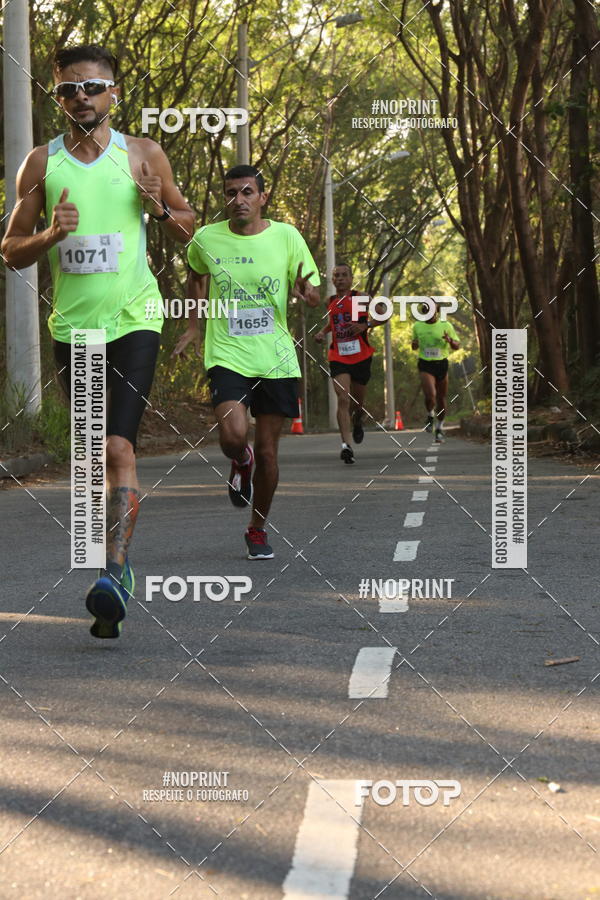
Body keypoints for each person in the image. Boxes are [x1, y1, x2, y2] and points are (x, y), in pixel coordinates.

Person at [1, 44, 194, 638]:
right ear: (56, 98)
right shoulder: (41, 163)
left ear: (113, 92)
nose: (79, 97)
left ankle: (114, 571)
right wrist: (50, 236)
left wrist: (158, 206)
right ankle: (111, 564)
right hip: (74, 327)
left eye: (91, 86)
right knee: (91, 459)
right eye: (67, 90)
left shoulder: (144, 153)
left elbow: (190, 227)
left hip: (136, 319)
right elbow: (10, 250)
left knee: (117, 447)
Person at [172, 164, 320, 559]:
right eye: (231, 193)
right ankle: (241, 460)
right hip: (228, 354)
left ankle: (257, 529)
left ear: (262, 198)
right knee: (233, 435)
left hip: (276, 359)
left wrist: (308, 292)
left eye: (247, 192)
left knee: (270, 452)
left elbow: (313, 291)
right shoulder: (206, 239)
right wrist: (193, 325)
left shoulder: (287, 237)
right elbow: (196, 276)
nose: (238, 200)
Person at [314, 262, 375, 464]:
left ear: (350, 278)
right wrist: (323, 332)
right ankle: (346, 446)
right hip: (339, 357)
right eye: (336, 275)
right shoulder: (330, 301)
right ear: (332, 280)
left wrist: (364, 325)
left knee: (357, 404)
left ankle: (358, 419)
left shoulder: (361, 297)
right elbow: (333, 322)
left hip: (361, 356)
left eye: (343, 275)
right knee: (343, 398)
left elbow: (385, 312)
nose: (339, 278)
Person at [411, 300, 460, 442]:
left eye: (433, 311)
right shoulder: (417, 326)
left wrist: (450, 340)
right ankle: (430, 414)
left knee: (441, 399)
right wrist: (414, 344)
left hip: (441, 364)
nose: (430, 314)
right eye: (427, 311)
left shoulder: (446, 325)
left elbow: (456, 346)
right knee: (430, 395)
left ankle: (439, 428)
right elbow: (414, 345)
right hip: (425, 364)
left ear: (437, 311)